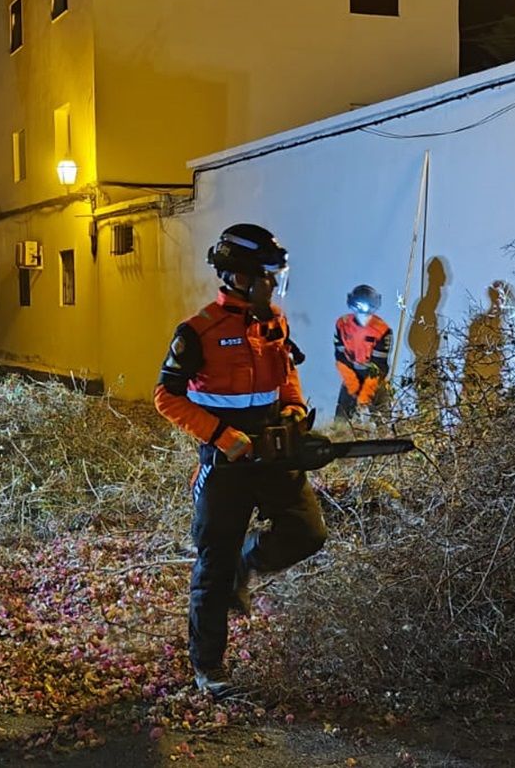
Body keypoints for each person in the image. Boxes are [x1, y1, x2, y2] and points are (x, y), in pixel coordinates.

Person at [154, 223, 328, 698]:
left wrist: (293, 408)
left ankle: (247, 562)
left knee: (307, 532)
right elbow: (165, 397)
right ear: (238, 277)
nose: (274, 285)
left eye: (276, 277)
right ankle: (208, 666)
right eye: (267, 277)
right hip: (226, 463)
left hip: (273, 453)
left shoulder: (275, 322)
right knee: (214, 563)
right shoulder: (198, 331)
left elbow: (286, 376)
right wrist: (219, 434)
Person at [333, 284, 392, 421]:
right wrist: (353, 385)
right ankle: (338, 439)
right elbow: (341, 358)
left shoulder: (382, 330)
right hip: (351, 374)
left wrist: (365, 395)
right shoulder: (342, 325)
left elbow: (379, 367)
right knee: (341, 419)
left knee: (383, 419)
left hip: (375, 378)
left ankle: (387, 438)